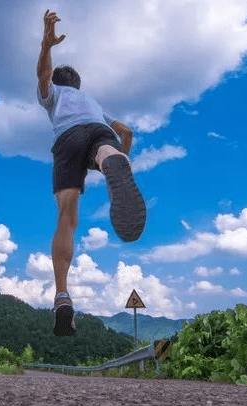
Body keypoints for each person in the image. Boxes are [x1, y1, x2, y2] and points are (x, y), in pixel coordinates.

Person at [37, 10, 146, 336]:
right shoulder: (93, 103)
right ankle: (113, 162)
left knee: (67, 218)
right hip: (100, 130)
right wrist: (117, 158)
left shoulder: (55, 95)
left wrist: (46, 45)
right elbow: (126, 131)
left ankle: (62, 298)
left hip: (67, 140)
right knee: (107, 149)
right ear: (79, 85)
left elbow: (43, 76)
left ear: (60, 82)